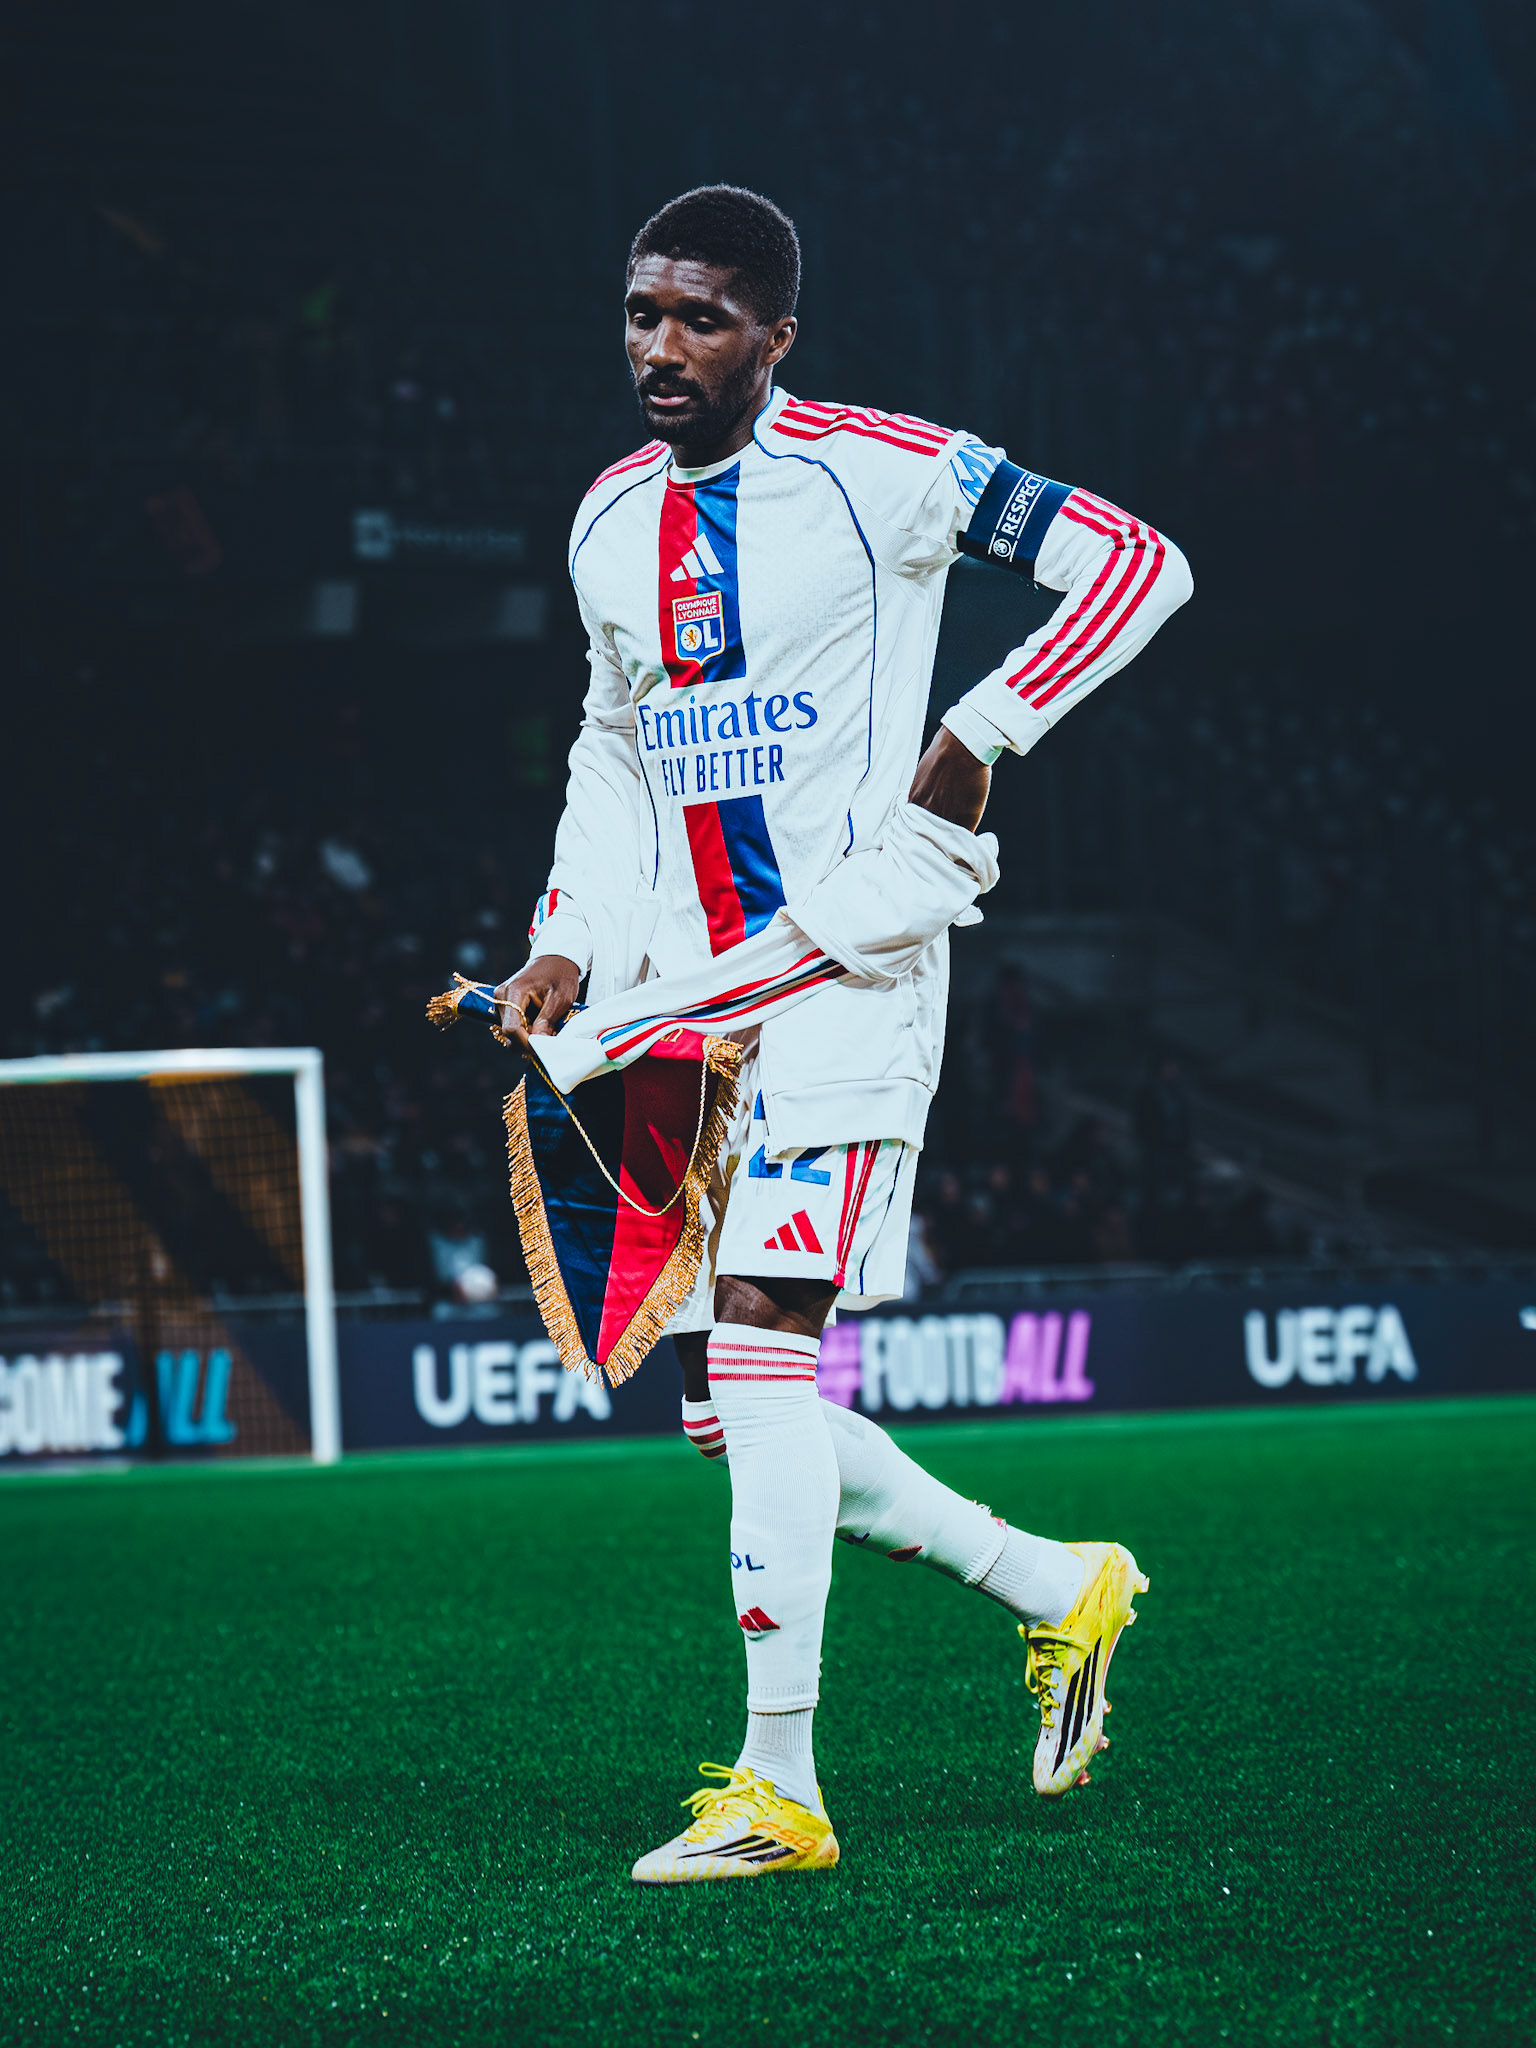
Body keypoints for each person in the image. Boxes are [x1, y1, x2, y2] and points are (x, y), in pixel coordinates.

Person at [494, 186, 1191, 1882]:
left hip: (849, 971)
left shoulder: (886, 471)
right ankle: (1059, 1585)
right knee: (733, 1415)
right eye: (644, 312)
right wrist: (566, 931)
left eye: (704, 317)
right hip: (680, 1007)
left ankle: (777, 1788)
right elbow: (612, 747)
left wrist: (985, 727)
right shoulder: (606, 520)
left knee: (759, 1357)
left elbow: (1136, 564)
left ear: (776, 337)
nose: (664, 346)